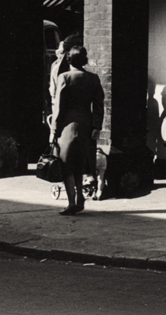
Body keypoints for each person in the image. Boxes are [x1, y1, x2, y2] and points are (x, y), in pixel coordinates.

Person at [50, 44, 105, 216]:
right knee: (80, 164)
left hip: (67, 125)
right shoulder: (93, 78)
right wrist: (97, 126)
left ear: (68, 60)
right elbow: (98, 106)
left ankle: (73, 201)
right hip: (86, 125)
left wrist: (54, 130)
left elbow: (59, 107)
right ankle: (79, 197)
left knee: (66, 165)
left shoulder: (64, 77)